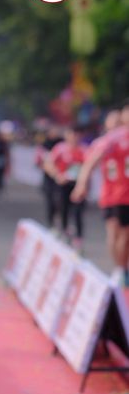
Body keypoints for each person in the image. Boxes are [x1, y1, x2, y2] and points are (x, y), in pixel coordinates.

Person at [71, 104, 129, 285]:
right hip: (117, 195)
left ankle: (121, 269)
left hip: (117, 195)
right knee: (117, 234)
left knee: (120, 235)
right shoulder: (112, 139)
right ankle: (121, 269)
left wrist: (82, 184)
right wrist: (82, 184)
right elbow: (90, 162)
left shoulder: (110, 139)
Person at [43, 126, 87, 251]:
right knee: (63, 210)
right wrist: (57, 175)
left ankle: (78, 240)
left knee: (78, 212)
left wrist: (84, 183)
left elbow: (89, 166)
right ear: (67, 135)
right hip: (63, 185)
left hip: (78, 185)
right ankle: (65, 233)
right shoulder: (60, 148)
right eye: (72, 134)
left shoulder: (84, 149)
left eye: (77, 134)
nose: (74, 137)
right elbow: (48, 164)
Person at [35, 124, 62, 231]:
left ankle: (61, 222)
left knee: (60, 201)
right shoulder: (44, 145)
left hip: (61, 178)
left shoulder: (62, 144)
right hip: (49, 178)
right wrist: (50, 169)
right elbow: (38, 161)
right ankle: (51, 223)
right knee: (50, 201)